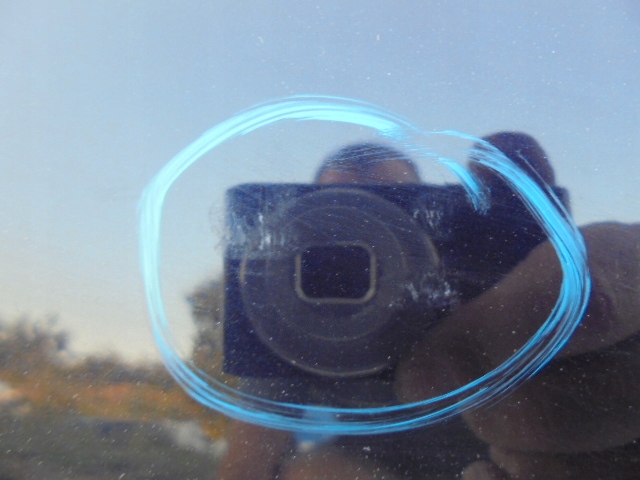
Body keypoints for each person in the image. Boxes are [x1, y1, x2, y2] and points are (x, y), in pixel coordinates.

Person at [217, 136, 640, 479]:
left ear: (433, 213)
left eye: (394, 202)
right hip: (365, 464)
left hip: (502, 454)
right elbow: (248, 460)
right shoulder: (279, 318)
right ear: (301, 218)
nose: (366, 232)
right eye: (341, 206)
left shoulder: (483, 271)